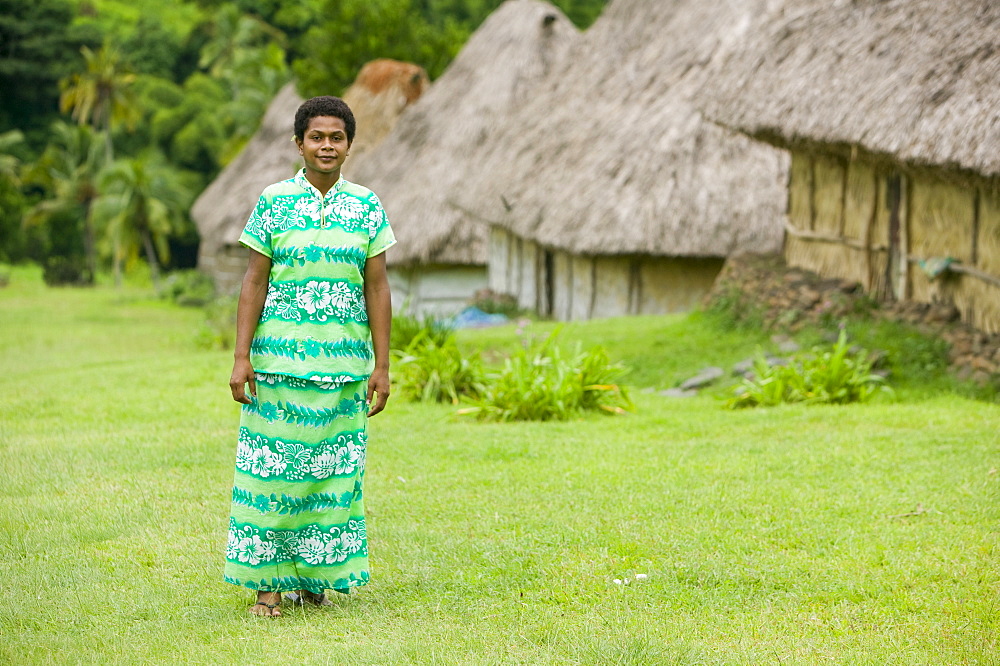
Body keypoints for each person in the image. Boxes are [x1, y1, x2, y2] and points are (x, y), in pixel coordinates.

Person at [224, 96, 394, 617]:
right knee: (271, 477)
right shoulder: (273, 202)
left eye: (336, 137)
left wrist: (381, 367)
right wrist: (241, 357)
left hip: (344, 369)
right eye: (317, 136)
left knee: (331, 477)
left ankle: (314, 579)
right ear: (299, 143)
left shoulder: (366, 207)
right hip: (278, 367)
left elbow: (378, 288)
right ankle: (267, 591)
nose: (327, 145)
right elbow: (253, 282)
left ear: (349, 145)